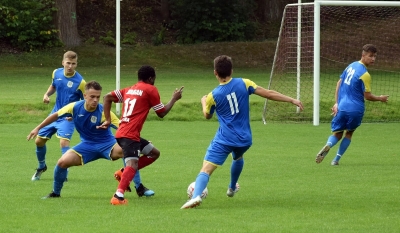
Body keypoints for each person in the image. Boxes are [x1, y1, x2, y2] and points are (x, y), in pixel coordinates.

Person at [180, 55, 304, 209]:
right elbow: (268, 93)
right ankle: (232, 188)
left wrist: (203, 101)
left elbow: (207, 115)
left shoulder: (214, 95)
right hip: (245, 139)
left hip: (225, 138)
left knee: (206, 168)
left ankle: (196, 195)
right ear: (231, 70)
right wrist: (292, 100)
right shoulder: (244, 83)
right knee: (238, 157)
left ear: (215, 73)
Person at [27, 81, 155, 198]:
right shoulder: (74, 107)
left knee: (129, 150)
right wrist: (38, 128)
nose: (95, 100)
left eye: (98, 97)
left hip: (108, 145)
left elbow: (123, 128)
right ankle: (55, 193)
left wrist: (138, 141)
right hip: (86, 146)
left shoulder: (105, 112)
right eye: (92, 96)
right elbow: (55, 115)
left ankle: (139, 187)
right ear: (84, 95)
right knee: (62, 162)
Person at [100, 65, 184, 205]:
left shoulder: (129, 89)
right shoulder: (150, 89)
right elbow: (161, 113)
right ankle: (118, 196)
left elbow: (107, 97)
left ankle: (123, 172)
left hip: (123, 132)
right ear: (151, 78)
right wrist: (174, 99)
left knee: (154, 153)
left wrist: (108, 119)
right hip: (130, 135)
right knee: (132, 164)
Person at [315, 44, 389, 166]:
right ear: (363, 55)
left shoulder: (351, 66)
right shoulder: (365, 75)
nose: (373, 59)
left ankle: (329, 145)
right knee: (349, 133)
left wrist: (337, 103)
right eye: (370, 56)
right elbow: (368, 96)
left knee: (337, 133)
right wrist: (380, 98)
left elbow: (339, 83)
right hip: (356, 109)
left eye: (375, 56)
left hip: (342, 106)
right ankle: (336, 160)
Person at [31, 51, 86, 181]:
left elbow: (85, 102)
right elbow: (53, 86)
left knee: (63, 143)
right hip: (55, 114)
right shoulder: (56, 73)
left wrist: (76, 116)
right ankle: (41, 166)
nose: (70, 66)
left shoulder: (81, 82)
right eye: (68, 63)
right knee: (39, 141)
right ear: (63, 62)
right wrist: (46, 95)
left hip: (68, 117)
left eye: (73, 64)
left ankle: (63, 172)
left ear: (76, 64)